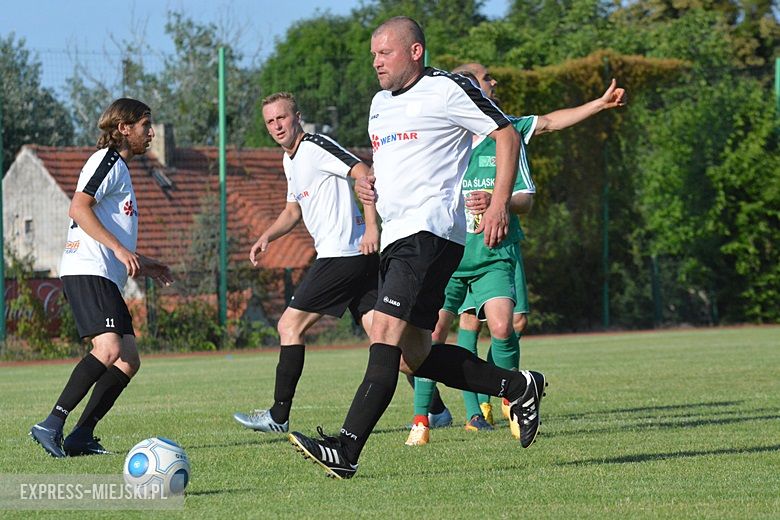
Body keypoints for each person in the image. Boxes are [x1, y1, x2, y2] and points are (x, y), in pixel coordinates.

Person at [287, 16, 546, 480]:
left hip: (429, 234)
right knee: (414, 354)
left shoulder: (446, 89)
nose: (375, 62)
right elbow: (395, 165)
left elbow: (505, 134)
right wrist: (373, 190)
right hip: (397, 236)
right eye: (372, 54)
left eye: (384, 53)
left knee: (382, 331)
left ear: (415, 52)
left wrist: (500, 203)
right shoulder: (379, 104)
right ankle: (517, 385)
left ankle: (346, 449)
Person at [407, 63, 626, 444]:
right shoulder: (443, 136)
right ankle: (421, 421)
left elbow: (551, 123)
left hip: (494, 252)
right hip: (450, 257)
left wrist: (597, 104)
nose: (495, 82)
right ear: (465, 88)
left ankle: (510, 400)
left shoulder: (506, 130)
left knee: (506, 327)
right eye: (487, 77)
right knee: (436, 334)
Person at [30, 98, 173, 458]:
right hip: (87, 269)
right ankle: (52, 422)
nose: (150, 132)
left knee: (127, 360)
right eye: (145, 125)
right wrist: (122, 252)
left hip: (103, 274)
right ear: (124, 128)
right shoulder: (107, 159)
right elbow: (78, 206)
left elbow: (112, 231)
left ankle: (81, 435)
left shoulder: (121, 168)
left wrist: (144, 261)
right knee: (108, 349)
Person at [232, 92, 380, 433]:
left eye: (281, 118)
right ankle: (434, 409)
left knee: (289, 326)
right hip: (353, 258)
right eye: (270, 122)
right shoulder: (290, 160)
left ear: (296, 116)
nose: (276, 126)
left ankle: (278, 416)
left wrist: (371, 227)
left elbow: (363, 171)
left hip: (342, 255)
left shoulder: (315, 145)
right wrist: (267, 236)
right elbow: (292, 211)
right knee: (388, 341)